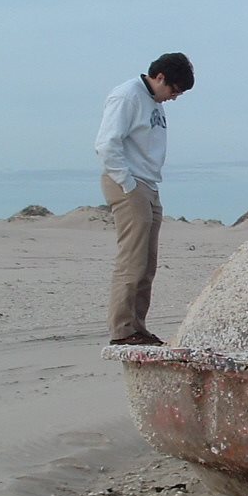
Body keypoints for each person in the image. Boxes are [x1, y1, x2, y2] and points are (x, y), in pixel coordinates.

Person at [95, 53, 195, 346]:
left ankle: (137, 326)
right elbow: (106, 144)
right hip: (129, 183)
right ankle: (122, 330)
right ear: (160, 77)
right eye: (174, 90)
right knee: (132, 261)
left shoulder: (154, 102)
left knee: (147, 265)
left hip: (149, 184)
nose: (174, 98)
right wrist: (127, 183)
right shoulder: (127, 96)